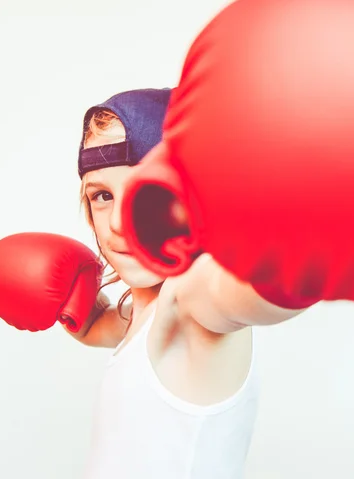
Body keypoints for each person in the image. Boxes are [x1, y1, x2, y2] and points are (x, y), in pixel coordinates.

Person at [71, 88, 308, 478]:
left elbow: (237, 293)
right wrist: (74, 306)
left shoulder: (189, 299)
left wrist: (295, 270)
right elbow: (100, 326)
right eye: (102, 195)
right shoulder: (144, 312)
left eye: (144, 194)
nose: (116, 223)